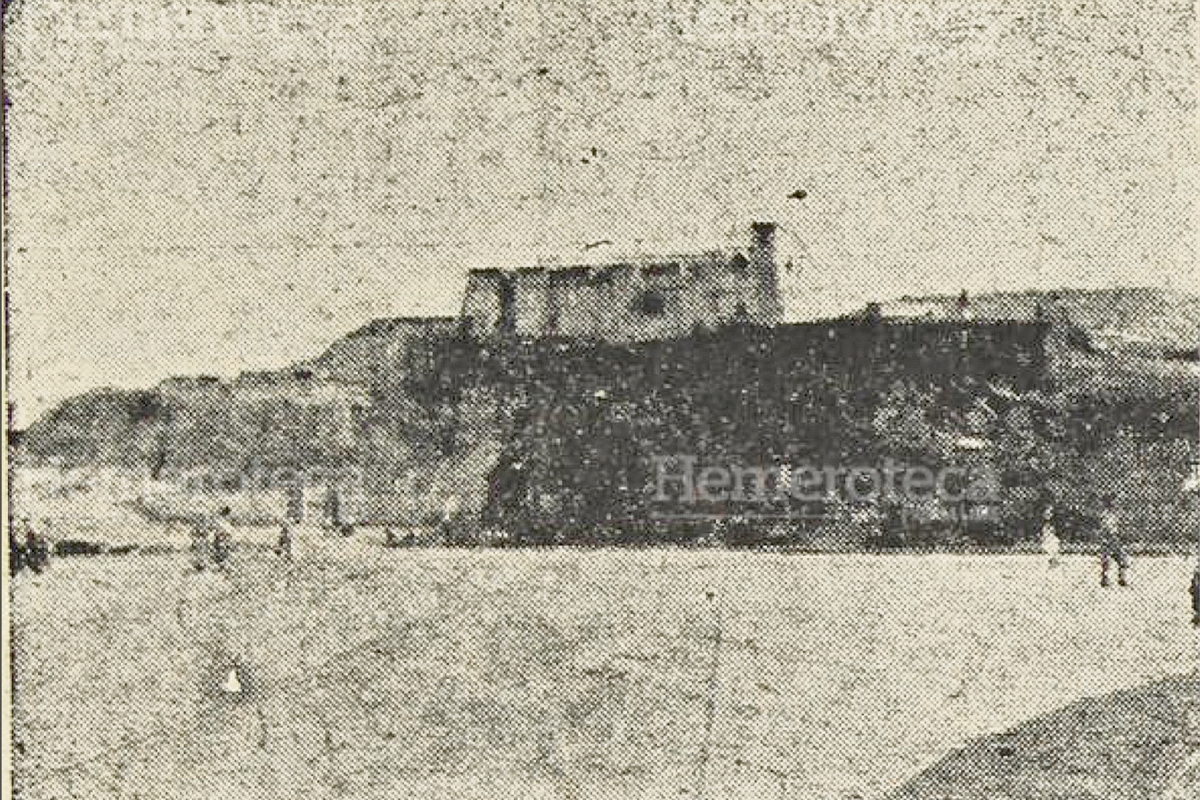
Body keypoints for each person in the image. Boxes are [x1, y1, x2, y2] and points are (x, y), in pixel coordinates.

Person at [1098, 496, 1129, 588]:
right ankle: (1105, 578)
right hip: (1108, 538)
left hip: (1114, 538)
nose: (1116, 504)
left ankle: (1121, 578)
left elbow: (1119, 527)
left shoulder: (1114, 514)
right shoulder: (1106, 515)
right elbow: (1104, 528)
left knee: (1121, 559)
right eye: (1114, 503)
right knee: (1107, 560)